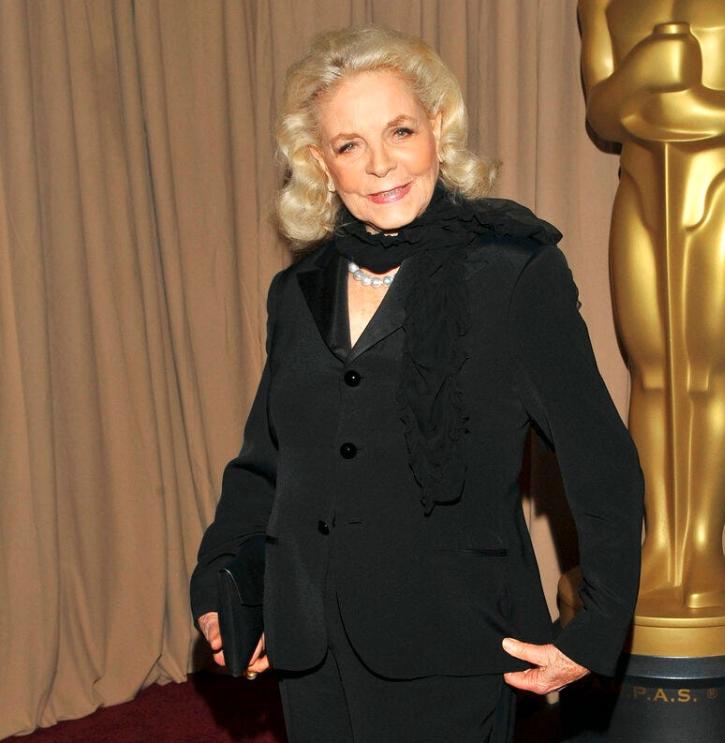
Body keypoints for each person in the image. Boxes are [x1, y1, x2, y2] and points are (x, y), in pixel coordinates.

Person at [190, 24, 644, 743]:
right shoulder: (297, 289)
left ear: (437, 128)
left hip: (450, 641)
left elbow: (600, 460)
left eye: (400, 130)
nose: (379, 164)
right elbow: (267, 463)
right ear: (320, 163)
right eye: (349, 145)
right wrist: (220, 580)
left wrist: (595, 630)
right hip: (309, 643)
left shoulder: (512, 272)